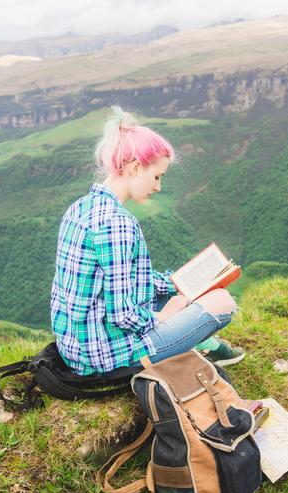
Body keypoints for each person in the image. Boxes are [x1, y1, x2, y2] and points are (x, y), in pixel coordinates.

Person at [50, 106, 245, 376]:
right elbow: (122, 315)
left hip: (76, 348)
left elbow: (120, 279)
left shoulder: (80, 207)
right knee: (223, 301)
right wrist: (164, 317)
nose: (158, 187)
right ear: (134, 167)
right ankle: (199, 343)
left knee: (175, 294)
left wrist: (176, 284)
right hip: (107, 356)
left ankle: (203, 343)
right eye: (157, 176)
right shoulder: (117, 223)